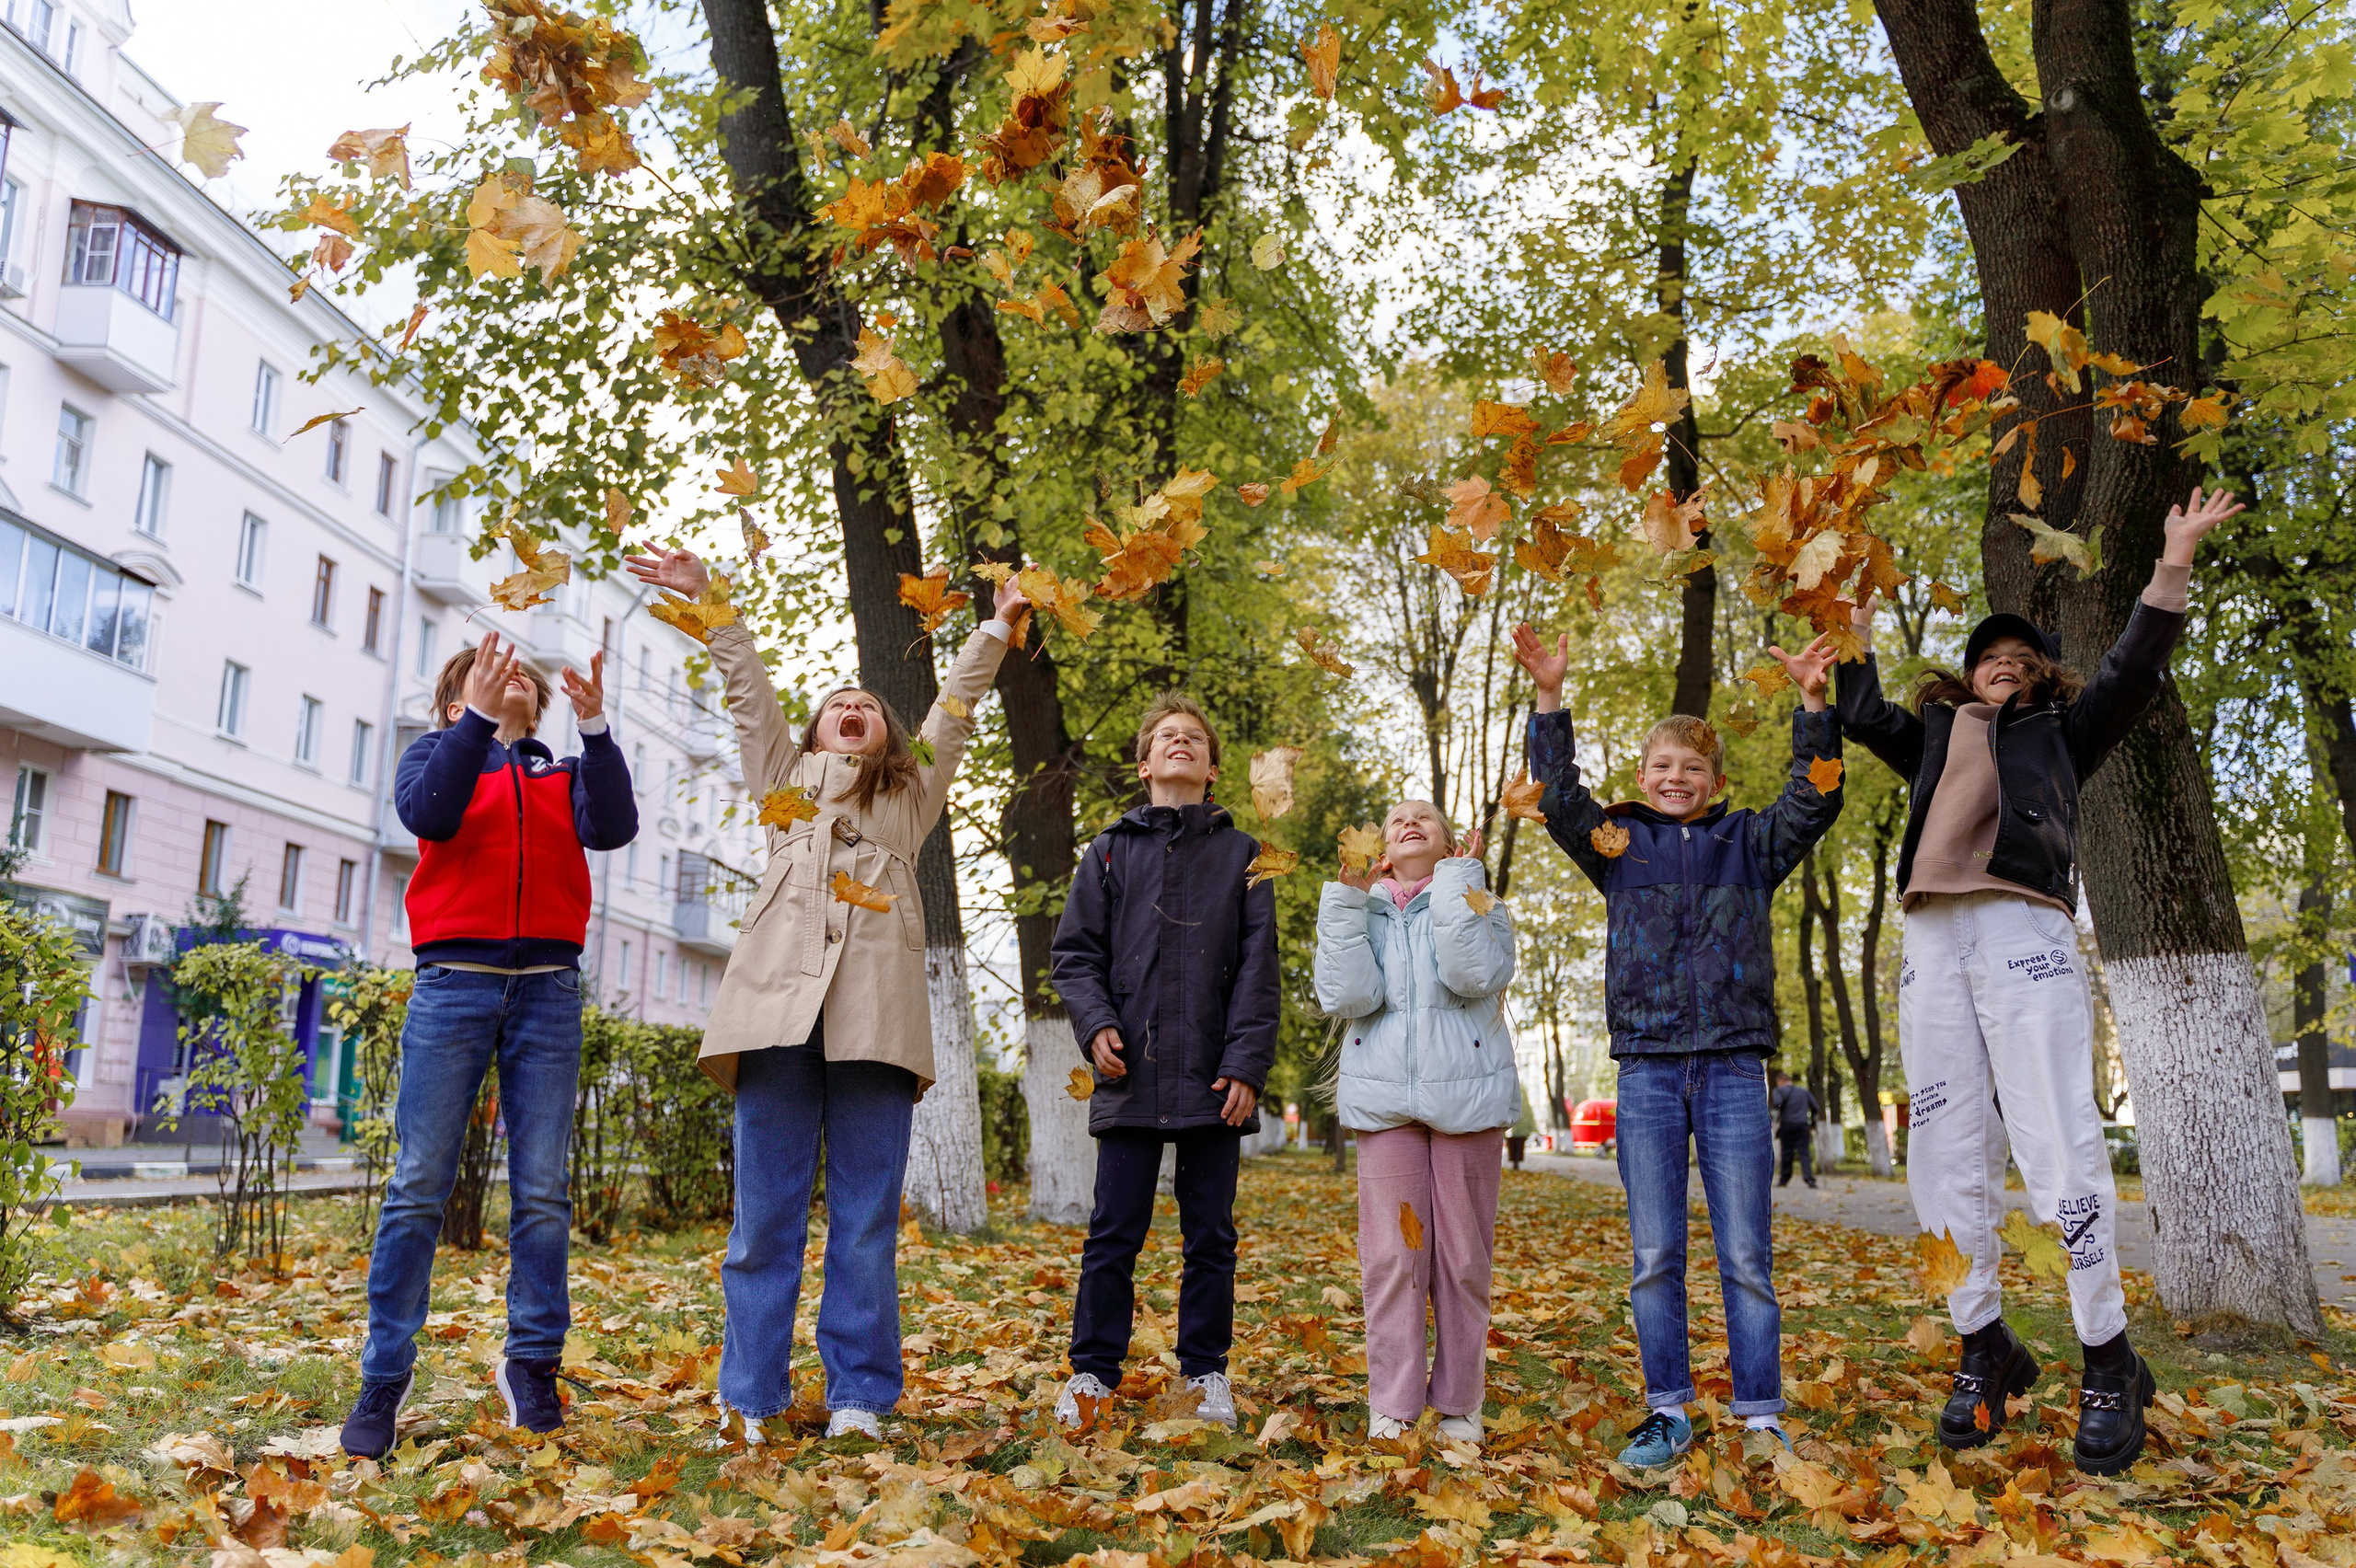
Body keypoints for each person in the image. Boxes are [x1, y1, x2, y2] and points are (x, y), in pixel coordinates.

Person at [1835, 484, 2243, 1476]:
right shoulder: (1933, 734)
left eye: (2022, 662)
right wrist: (1850, 627)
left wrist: (2173, 558)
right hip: (1933, 943)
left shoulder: (2062, 733)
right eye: (1990, 660)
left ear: (2040, 679)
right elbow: (1856, 709)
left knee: (2059, 1147)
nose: (2004, 669)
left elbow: (2133, 670)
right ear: (1967, 675)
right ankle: (1984, 1346)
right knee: (1942, 1155)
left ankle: (2107, 1355)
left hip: (2025, 934)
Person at [622, 545, 1022, 1444]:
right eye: (837, 705)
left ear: (888, 737)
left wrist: (996, 626)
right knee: (762, 1222)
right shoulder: (781, 784)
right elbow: (748, 692)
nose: (852, 709)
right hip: (773, 1017)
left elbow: (954, 711)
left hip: (875, 1025)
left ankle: (860, 1398)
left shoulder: (909, 796)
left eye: (868, 708)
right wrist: (709, 601)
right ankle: (751, 1398)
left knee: (865, 1221)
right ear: (810, 734)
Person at [1511, 622, 1842, 1468]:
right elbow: (1554, 798)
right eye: (1662, 767)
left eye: (1693, 769)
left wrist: (1814, 703)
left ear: (1716, 783)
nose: (1676, 778)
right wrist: (1551, 696)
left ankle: (1760, 1414)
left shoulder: (1749, 845)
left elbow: (1815, 798)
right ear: (1642, 778)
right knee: (1656, 1253)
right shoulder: (1619, 848)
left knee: (1745, 1254)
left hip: (1734, 1065)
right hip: (1650, 1069)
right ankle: (1668, 1410)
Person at [341, 633, 637, 1459]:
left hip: (547, 992)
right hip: (454, 986)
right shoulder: (437, 757)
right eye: (489, 679)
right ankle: (383, 1378)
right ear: (455, 700)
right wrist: (471, 720)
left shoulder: (562, 774)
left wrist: (598, 726)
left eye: (523, 682)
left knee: (542, 1190)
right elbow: (427, 814)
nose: (514, 682)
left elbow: (613, 829)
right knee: (417, 1185)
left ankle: (531, 1366)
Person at [1048, 694, 1279, 1432]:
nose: (1181, 744)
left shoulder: (1245, 857)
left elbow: (1257, 970)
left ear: (1211, 770)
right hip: (1131, 1071)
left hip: (1215, 1075)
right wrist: (1095, 1026)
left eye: (1195, 739)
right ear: (1145, 765)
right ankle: (1091, 1375)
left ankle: (1205, 1375)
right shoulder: (1108, 852)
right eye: (1166, 738)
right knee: (1114, 1229)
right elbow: (1075, 955)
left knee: (1210, 1235)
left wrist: (1245, 1064)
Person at [1314, 803, 1518, 1446]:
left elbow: (1472, 973)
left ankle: (1459, 1403)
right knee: (1393, 1260)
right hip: (1385, 1108)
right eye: (1397, 818)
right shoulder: (1360, 910)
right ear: (1380, 848)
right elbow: (1348, 998)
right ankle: (1393, 1404)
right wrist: (1348, 902)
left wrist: (1459, 881)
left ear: (1452, 842)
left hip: (1468, 1105)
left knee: (1462, 1260)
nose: (1408, 823)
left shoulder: (1481, 901)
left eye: (1425, 817)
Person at [1771, 1070, 1819, 1189]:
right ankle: (1809, 1179)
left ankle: (1784, 1180)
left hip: (1787, 1125)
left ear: (1780, 1082)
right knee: (1804, 1152)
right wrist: (1813, 1123)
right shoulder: (1804, 1091)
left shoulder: (1778, 1091)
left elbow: (1777, 1103)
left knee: (1787, 1152)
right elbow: (1815, 1107)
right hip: (1803, 1126)